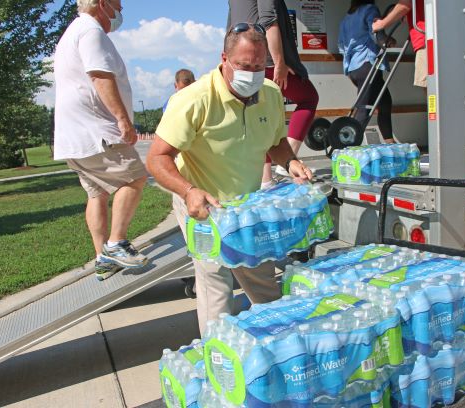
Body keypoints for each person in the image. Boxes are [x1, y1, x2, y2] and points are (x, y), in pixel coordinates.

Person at [146, 23, 313, 334]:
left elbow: (275, 142)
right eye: (243, 65)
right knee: (215, 280)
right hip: (202, 203)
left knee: (260, 274)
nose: (251, 73)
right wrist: (188, 191)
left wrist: (290, 162)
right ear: (224, 58)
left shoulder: (271, 94)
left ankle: (278, 341)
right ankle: (219, 353)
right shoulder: (193, 100)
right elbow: (157, 158)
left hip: (246, 206)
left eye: (258, 66)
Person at [54, 0, 148, 281]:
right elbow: (99, 76)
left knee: (97, 193)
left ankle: (102, 258)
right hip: (97, 131)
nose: (120, 13)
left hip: (74, 136)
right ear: (103, 3)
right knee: (135, 178)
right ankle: (116, 244)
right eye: (118, 5)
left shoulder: (72, 32)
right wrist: (122, 119)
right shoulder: (91, 31)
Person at [228, 0, 319, 187]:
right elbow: (268, 19)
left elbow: (231, 27)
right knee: (308, 97)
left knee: (257, 115)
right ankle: (287, 160)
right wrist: (279, 62)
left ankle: (265, 180)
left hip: (241, 61)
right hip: (265, 59)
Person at [339, 0, 395, 143]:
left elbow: (341, 46)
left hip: (354, 68)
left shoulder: (346, 18)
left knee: (385, 102)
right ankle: (350, 146)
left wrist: (349, 66)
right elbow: (376, 32)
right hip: (368, 64)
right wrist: (387, 41)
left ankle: (389, 142)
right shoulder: (370, 9)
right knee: (364, 109)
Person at [372, 0, 426, 89]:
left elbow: (405, 4)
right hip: (430, 38)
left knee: (429, 87)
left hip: (425, 40)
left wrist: (382, 23)